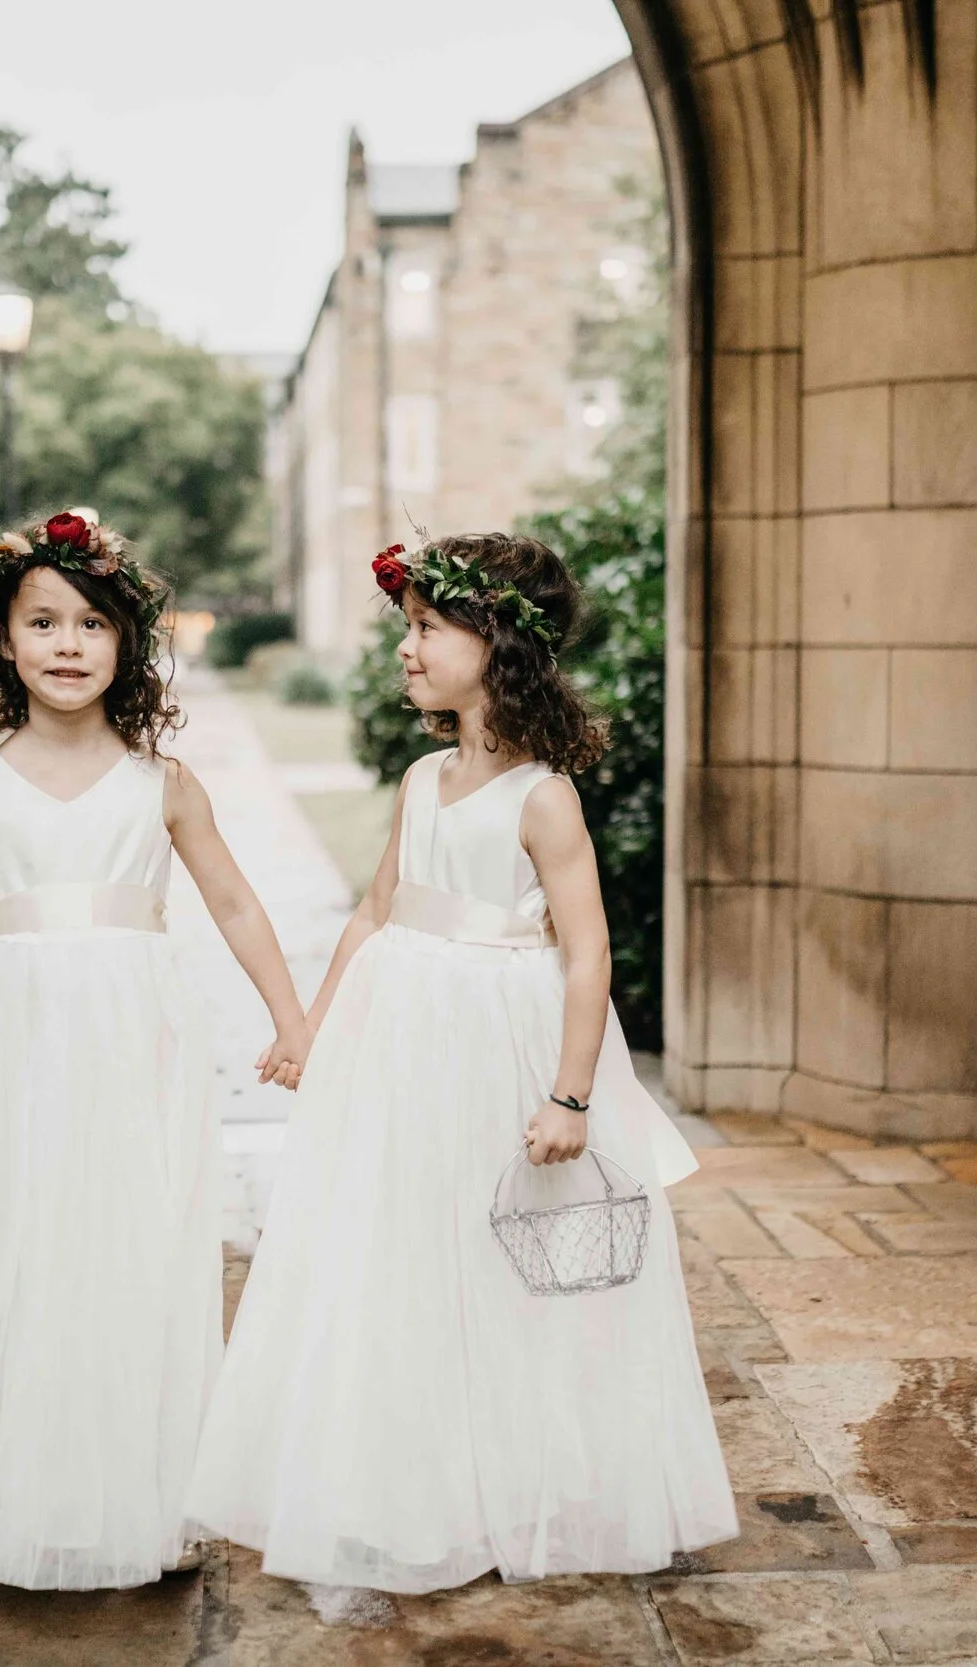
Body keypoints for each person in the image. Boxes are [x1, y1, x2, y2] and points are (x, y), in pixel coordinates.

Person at [185, 532, 737, 1599]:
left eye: (428, 626)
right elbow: (375, 907)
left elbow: (586, 952)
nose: (407, 646)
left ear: (497, 643)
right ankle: (413, 1477)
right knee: (401, 1245)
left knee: (505, 1252)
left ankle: (523, 1478)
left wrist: (570, 1092)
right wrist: (313, 1027)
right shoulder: (420, 775)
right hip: (402, 1037)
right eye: (408, 626)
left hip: (497, 1039)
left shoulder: (541, 795)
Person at [0, 508, 311, 1590]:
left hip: (130, 1039)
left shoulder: (161, 784)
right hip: (5, 1040)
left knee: (125, 1245)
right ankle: (15, 1483)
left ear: (126, 645)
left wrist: (291, 1017)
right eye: (43, 621)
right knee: (16, 1248)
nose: (68, 643)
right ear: (2, 641)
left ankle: (132, 1487)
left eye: (92, 624)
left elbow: (236, 904)